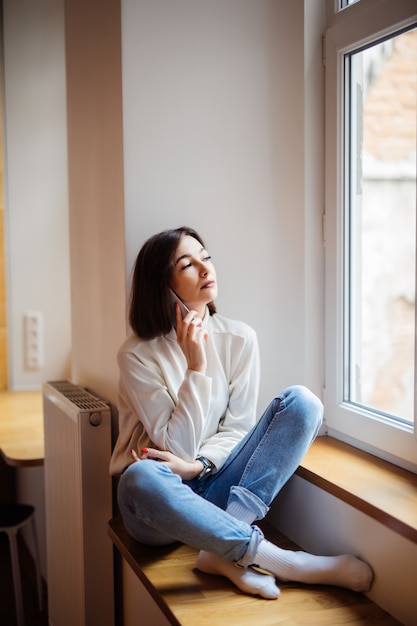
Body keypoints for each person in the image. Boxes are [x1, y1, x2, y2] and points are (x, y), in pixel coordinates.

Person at [110, 226, 373, 600]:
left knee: (304, 402)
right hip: (158, 508)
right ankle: (284, 561)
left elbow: (237, 430)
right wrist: (195, 367)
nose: (205, 269)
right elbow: (176, 446)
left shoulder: (239, 338)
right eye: (187, 264)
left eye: (207, 257)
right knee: (138, 477)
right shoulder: (136, 354)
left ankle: (222, 550)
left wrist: (199, 466)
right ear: (161, 283)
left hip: (216, 486)